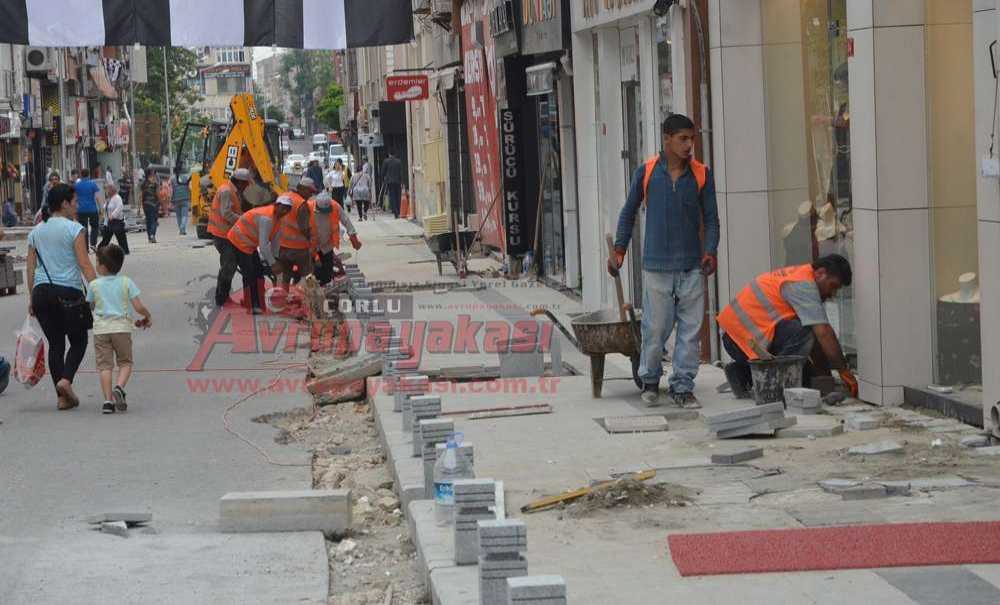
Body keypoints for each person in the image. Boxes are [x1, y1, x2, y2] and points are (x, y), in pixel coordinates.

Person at [610, 114, 720, 409]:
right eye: (683, 139)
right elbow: (628, 212)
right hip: (656, 267)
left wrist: (710, 250)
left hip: (692, 267)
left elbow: (711, 219)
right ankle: (649, 380)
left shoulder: (701, 174)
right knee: (655, 328)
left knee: (689, 331)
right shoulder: (646, 172)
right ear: (667, 138)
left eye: (692, 139)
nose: (689, 145)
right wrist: (619, 250)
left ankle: (682, 387)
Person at [719, 255, 858, 399]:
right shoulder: (803, 285)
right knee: (803, 336)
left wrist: (824, 377)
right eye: (833, 286)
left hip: (738, 340)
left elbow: (817, 342)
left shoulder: (799, 276)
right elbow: (823, 333)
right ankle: (775, 388)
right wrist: (843, 370)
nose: (832, 294)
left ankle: (741, 373)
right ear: (820, 273)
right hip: (740, 342)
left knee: (805, 378)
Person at [25, 183, 98, 410]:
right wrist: (98, 290)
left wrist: (31, 299)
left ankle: (62, 397)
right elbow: (84, 264)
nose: (77, 206)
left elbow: (30, 268)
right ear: (64, 204)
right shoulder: (74, 228)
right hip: (68, 292)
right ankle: (66, 381)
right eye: (74, 202)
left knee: (55, 344)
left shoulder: (35, 232)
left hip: (41, 292)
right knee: (79, 340)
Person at [87, 244, 151, 414]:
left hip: (101, 330)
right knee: (125, 362)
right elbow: (138, 306)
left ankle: (107, 401)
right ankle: (119, 387)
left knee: (105, 366)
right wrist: (147, 316)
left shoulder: (93, 285)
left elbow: (92, 305)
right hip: (122, 328)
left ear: (102, 266)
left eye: (97, 261)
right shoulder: (126, 282)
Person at [227, 197, 293, 313]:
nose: (285, 212)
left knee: (258, 273)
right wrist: (273, 264)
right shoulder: (267, 218)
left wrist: (276, 259)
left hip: (249, 244)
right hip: (238, 241)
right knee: (250, 274)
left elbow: (275, 242)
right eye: (283, 208)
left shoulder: (278, 219)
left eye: (288, 210)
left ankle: (258, 303)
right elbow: (263, 246)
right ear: (276, 205)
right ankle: (252, 305)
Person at [207, 169, 252, 306]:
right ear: (239, 181)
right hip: (222, 235)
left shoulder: (233, 190)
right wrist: (245, 220)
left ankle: (226, 298)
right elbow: (226, 213)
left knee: (233, 265)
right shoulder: (226, 190)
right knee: (229, 266)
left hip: (229, 234)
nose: (247, 186)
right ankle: (222, 299)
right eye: (245, 183)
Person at [309, 191, 362, 285]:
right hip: (312, 246)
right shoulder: (308, 208)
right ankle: (315, 291)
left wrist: (354, 238)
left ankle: (325, 288)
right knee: (315, 272)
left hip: (327, 244)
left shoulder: (335, 206)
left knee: (327, 274)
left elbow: (346, 221)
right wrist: (315, 256)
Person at [274, 177, 318, 287]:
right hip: (299, 249)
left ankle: (283, 300)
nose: (311, 195)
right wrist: (312, 241)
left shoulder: (283, 197)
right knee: (308, 276)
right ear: (301, 188)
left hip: (282, 247)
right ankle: (307, 299)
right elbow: (304, 228)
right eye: (310, 191)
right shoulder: (302, 204)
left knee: (286, 276)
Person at [75, 168, 103, 250]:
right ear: (89, 174)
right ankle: (93, 243)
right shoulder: (92, 184)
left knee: (83, 228)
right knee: (94, 226)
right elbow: (97, 196)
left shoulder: (77, 185)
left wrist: (75, 208)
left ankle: (85, 247)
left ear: (81, 174)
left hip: (81, 209)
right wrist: (101, 208)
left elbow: (74, 198)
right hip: (92, 209)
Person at [98, 182, 129, 254]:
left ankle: (125, 250)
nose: (106, 191)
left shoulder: (117, 198)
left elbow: (119, 207)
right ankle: (100, 249)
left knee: (121, 237)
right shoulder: (109, 199)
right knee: (106, 237)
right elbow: (105, 208)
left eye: (107, 190)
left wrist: (113, 215)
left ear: (112, 190)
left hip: (117, 221)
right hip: (109, 222)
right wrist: (103, 215)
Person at [380, 152, 403, 218]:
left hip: (389, 181)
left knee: (392, 196)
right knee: (398, 196)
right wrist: (402, 181)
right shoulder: (398, 161)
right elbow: (401, 172)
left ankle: (395, 211)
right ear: (395, 154)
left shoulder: (386, 161)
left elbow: (383, 172)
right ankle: (398, 211)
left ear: (389, 154)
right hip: (397, 181)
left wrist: (383, 179)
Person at [141, 169, 160, 243]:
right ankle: (152, 235)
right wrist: (161, 202)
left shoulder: (144, 183)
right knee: (154, 221)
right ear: (151, 173)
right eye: (153, 173)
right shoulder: (155, 183)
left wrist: (140, 207)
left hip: (145, 204)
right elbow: (157, 194)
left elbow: (141, 195)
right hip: (153, 204)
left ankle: (149, 237)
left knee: (148, 221)